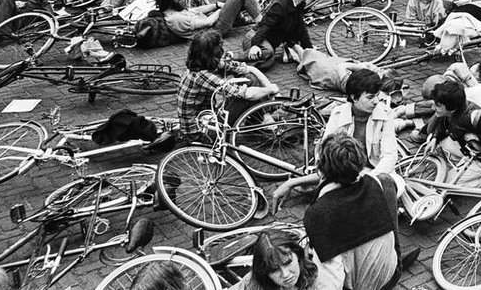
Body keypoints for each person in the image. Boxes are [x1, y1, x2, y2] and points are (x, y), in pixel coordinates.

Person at [272, 69, 403, 207]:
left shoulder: (385, 114)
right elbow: (325, 153)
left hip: (375, 174)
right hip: (347, 175)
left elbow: (390, 157)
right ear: (354, 97)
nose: (376, 101)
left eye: (377, 95)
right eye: (370, 97)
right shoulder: (338, 114)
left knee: (395, 185)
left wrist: (367, 179)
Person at [303, 132, 412, 290]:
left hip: (360, 286)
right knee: (388, 183)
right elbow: (397, 183)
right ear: (360, 162)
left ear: (321, 167)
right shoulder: (378, 183)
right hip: (391, 274)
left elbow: (332, 283)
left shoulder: (317, 213)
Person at [176, 30, 278, 139]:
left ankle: (263, 121)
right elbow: (246, 94)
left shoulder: (201, 63)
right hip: (200, 133)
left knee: (249, 80)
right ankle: (263, 125)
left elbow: (249, 69)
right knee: (244, 97)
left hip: (207, 117)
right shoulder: (201, 76)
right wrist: (269, 90)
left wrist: (273, 90)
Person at [243, 0, 315, 69]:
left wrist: (309, 50)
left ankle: (244, 65)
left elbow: (301, 29)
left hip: (268, 42)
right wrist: (255, 45)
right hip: (254, 37)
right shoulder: (280, 6)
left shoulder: (299, 5)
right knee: (268, 52)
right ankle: (233, 57)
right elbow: (265, 26)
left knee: (266, 64)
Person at [225, 228, 318, 290]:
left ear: (297, 254)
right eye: (274, 270)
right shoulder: (253, 282)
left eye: (288, 262)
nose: (285, 274)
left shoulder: (319, 279)